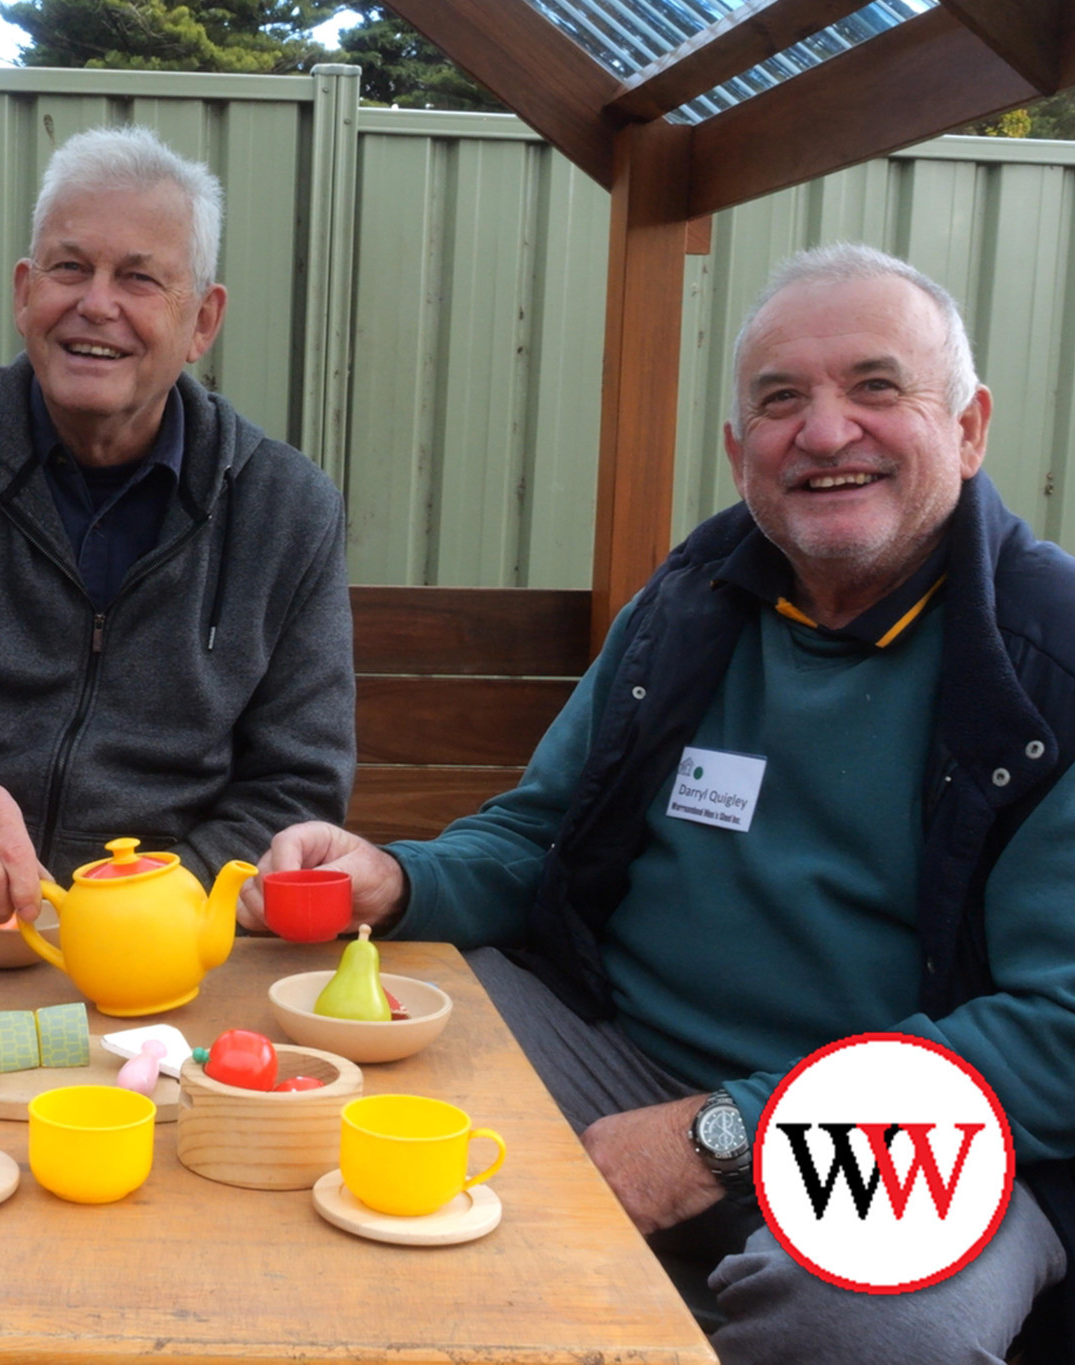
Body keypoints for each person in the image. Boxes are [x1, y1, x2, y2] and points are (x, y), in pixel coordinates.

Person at [254, 243, 1071, 1361]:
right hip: (614, 1047)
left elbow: (1056, 1032)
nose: (824, 433)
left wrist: (723, 1134)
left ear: (968, 427)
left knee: (874, 1320)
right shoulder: (689, 605)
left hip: (899, 1133)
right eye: (780, 402)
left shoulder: (1049, 663)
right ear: (740, 452)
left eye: (874, 388)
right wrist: (395, 879)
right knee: (335, 1070)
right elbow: (542, 833)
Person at [0, 125, 354, 928]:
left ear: (203, 323)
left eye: (141, 279)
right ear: (24, 293)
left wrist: (134, 908)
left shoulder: (287, 508)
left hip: (162, 939)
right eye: (70, 267)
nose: (96, 304)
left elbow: (295, 783)